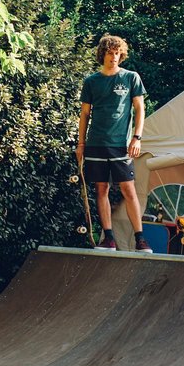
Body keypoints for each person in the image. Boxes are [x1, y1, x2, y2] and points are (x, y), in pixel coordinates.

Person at [76, 35, 152, 253]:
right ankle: (108, 239)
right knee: (101, 189)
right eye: (110, 53)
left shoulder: (131, 78)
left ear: (122, 55)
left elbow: (140, 109)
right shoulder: (91, 81)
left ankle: (140, 239)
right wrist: (81, 144)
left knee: (129, 189)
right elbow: (84, 114)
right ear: (103, 54)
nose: (114, 57)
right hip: (96, 143)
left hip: (121, 144)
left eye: (117, 53)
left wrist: (137, 137)